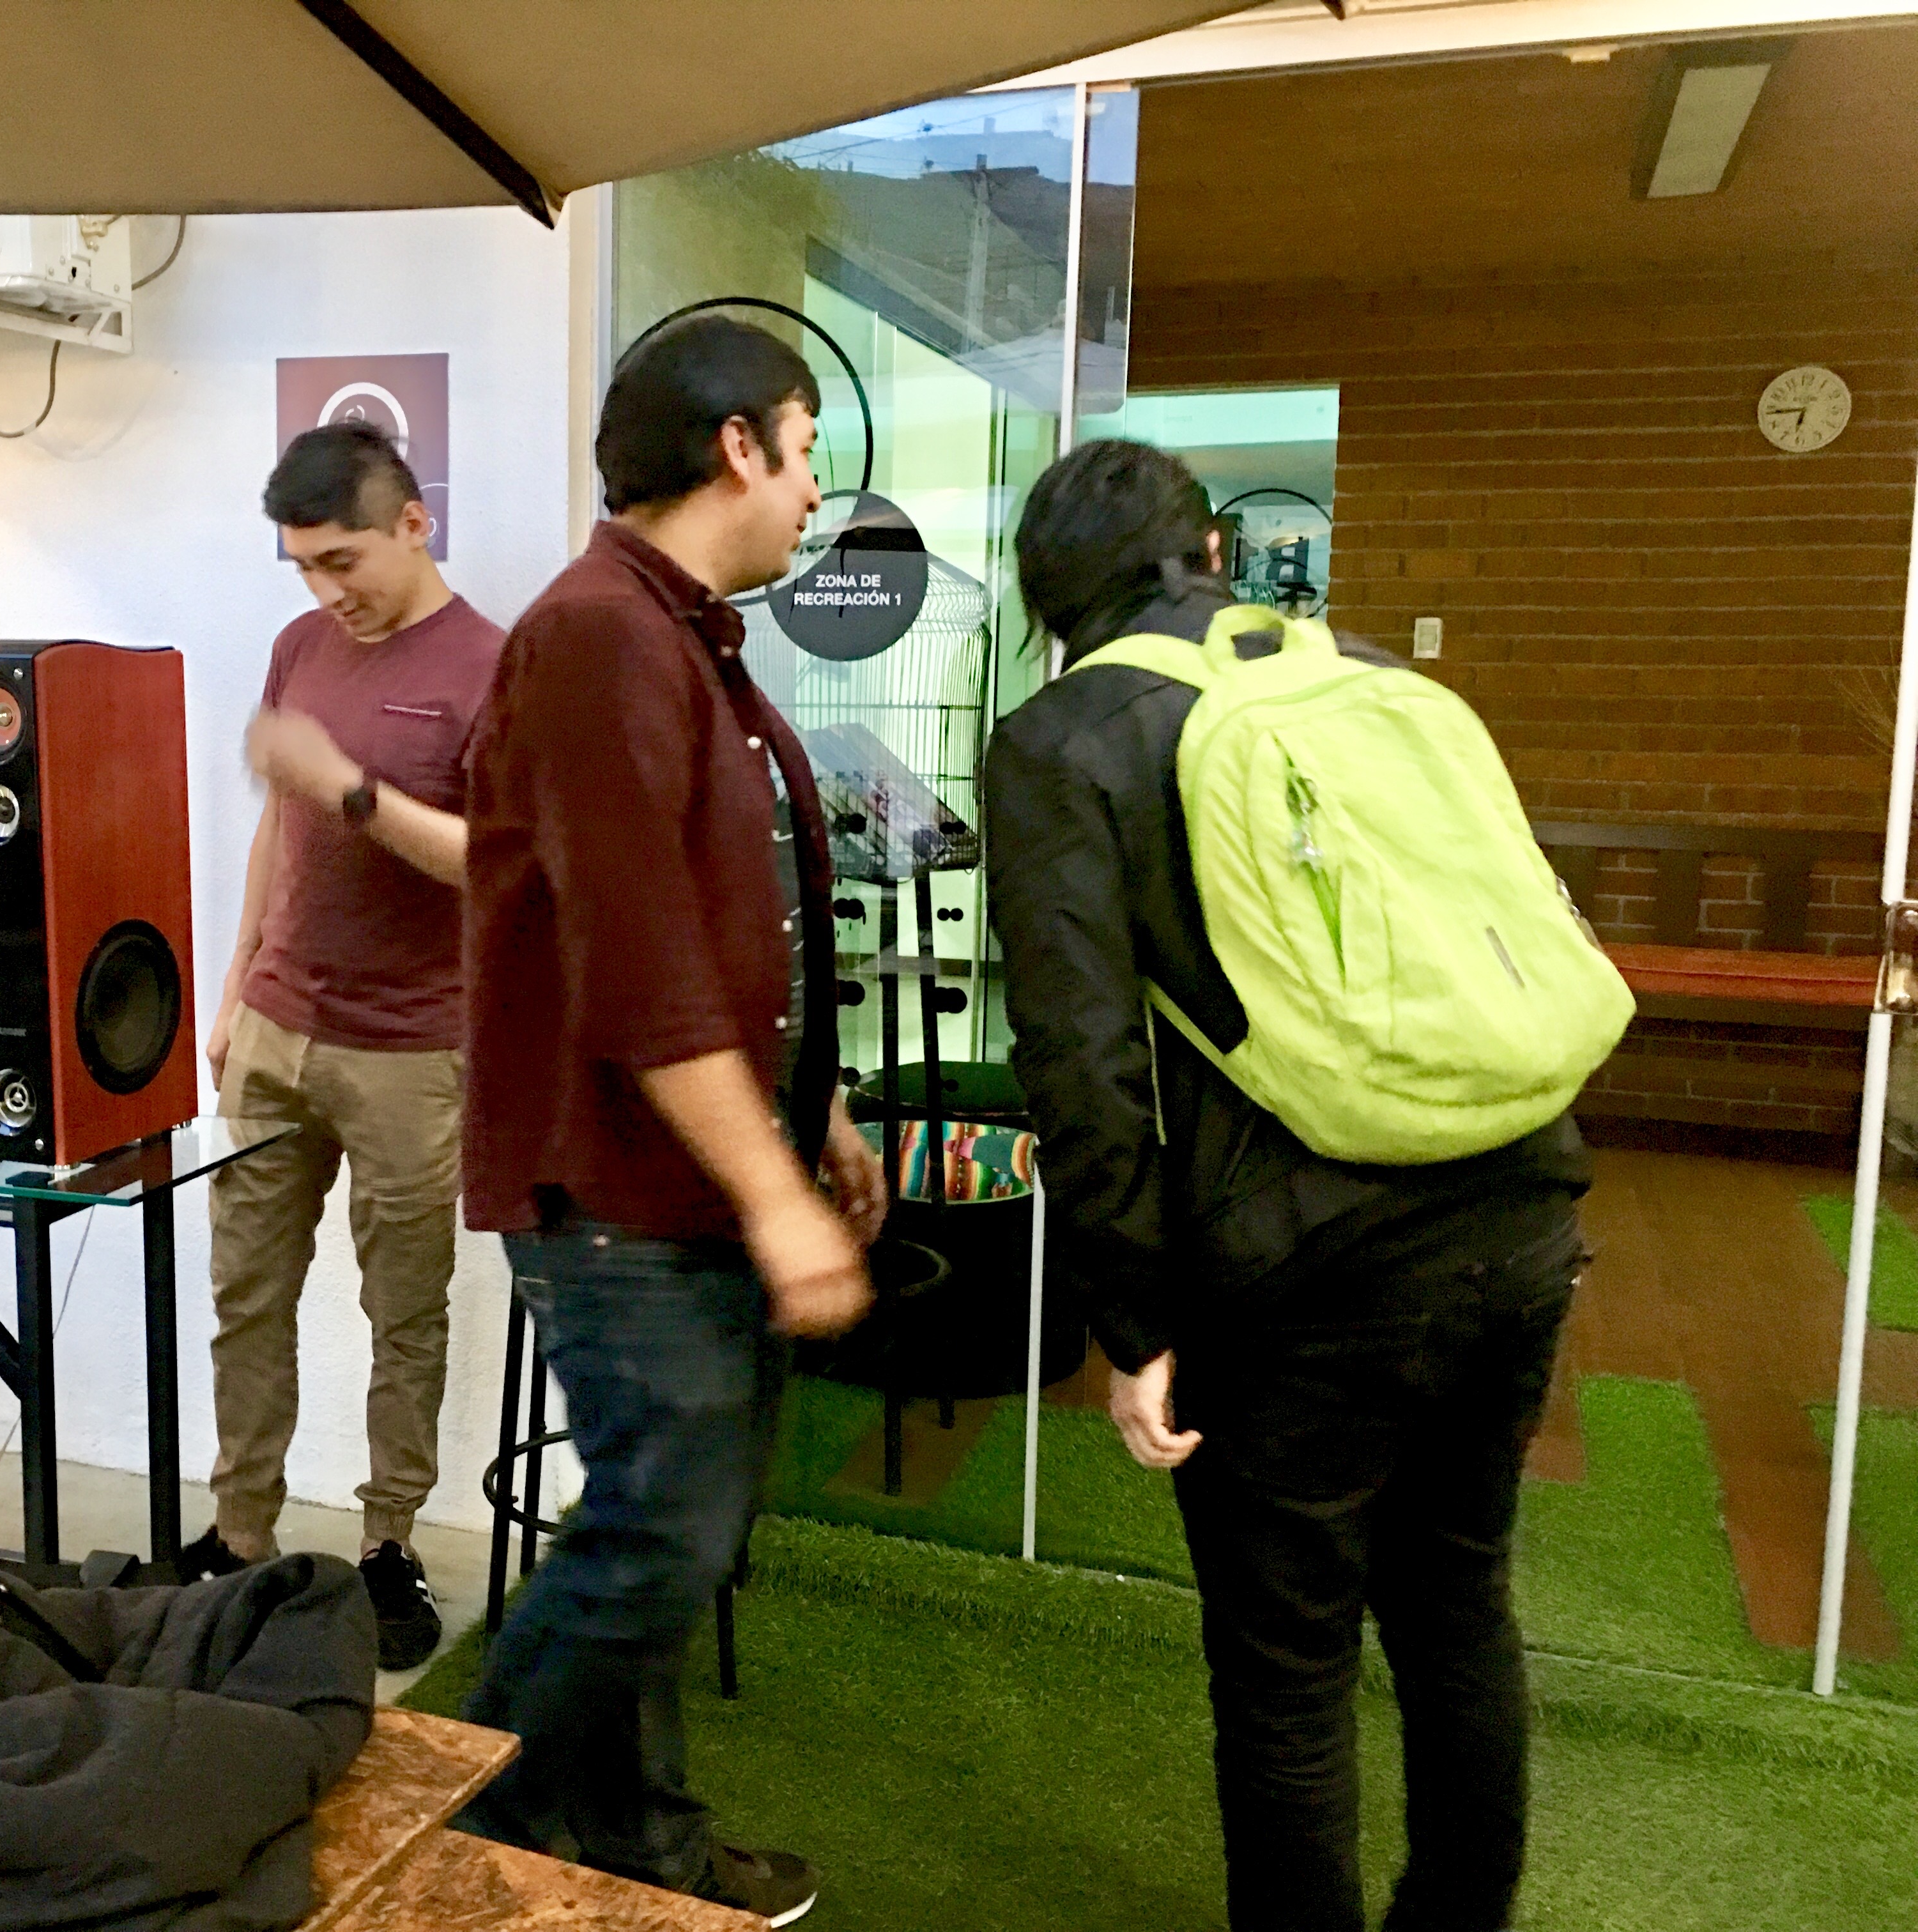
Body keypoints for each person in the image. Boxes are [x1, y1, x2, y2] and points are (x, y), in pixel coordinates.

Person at [982, 439, 1595, 1932]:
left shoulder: (1064, 739)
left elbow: (1083, 1066)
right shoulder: (1374, 680)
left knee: (1289, 1667)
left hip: (1301, 1267)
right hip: (1520, 1202)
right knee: (1458, 1604)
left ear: (1050, 604)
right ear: (1207, 551)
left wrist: (1132, 1325)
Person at [452, 315, 889, 1927]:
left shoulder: (680, 637)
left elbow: (726, 921)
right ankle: (446, 1824)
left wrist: (812, 1114)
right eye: (806, 451)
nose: (814, 492)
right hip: (616, 1189)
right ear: (736, 447)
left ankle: (642, 1851)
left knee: (656, 1530)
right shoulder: (597, 637)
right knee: (660, 1537)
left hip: (685, 1171)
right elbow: (638, 964)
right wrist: (773, 1195)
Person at [190, 420, 503, 1672]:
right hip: (277, 1026)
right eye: (305, 568)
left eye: (343, 561)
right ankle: (237, 1538)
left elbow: (499, 866)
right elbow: (279, 825)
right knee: (245, 1295)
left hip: (414, 1050)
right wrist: (234, 988)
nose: (327, 591)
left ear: (414, 524)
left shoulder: (492, 668)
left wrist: (355, 791)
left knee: (404, 1312)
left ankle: (388, 1548)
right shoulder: (299, 647)